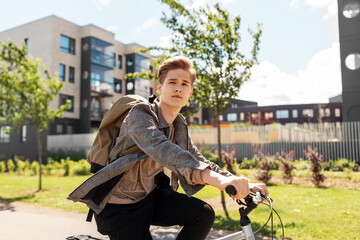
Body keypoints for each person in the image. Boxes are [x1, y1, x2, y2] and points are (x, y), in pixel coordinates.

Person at [69, 56, 268, 240]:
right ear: (160, 88)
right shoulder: (140, 115)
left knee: (203, 214)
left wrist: (235, 181)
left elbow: (197, 160)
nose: (178, 88)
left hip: (150, 197)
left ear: (190, 92)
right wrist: (219, 182)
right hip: (120, 206)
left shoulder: (178, 125)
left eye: (184, 84)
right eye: (172, 82)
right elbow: (165, 151)